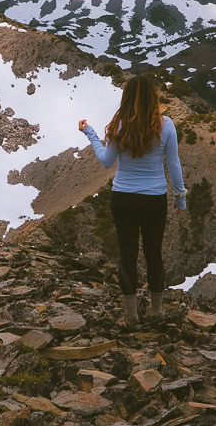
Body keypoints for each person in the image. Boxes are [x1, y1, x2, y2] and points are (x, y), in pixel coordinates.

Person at [79, 76, 187, 326]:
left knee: (127, 255)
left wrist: (90, 133)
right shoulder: (166, 125)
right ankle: (156, 312)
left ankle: (130, 317)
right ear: (154, 98)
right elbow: (173, 165)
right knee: (153, 254)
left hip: (123, 197)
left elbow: (107, 161)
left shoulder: (118, 125)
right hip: (154, 199)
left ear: (126, 98)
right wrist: (180, 198)